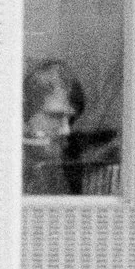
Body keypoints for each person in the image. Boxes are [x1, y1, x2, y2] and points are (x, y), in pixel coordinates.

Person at [21, 58, 87, 195]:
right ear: (24, 116)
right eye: (55, 117)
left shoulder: (57, 173)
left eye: (70, 120)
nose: (66, 130)